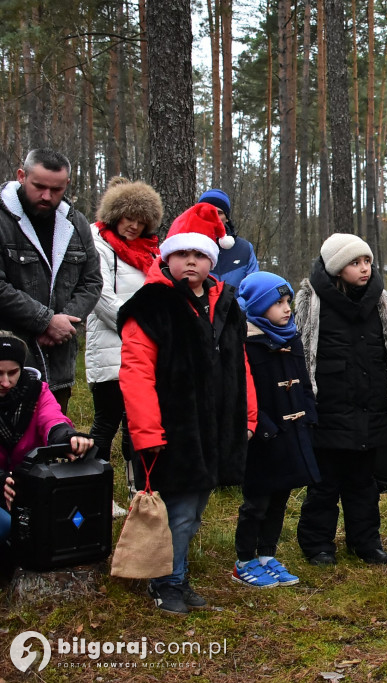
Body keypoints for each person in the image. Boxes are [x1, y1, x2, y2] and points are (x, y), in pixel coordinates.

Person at [118, 203, 258, 614]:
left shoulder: (226, 304)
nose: (191, 261)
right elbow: (136, 372)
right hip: (172, 429)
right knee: (178, 510)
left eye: (199, 254)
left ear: (212, 260)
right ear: (168, 257)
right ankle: (166, 582)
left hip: (215, 426)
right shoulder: (150, 305)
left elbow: (241, 364)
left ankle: (177, 575)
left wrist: (247, 416)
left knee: (195, 510)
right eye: (182, 254)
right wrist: (147, 432)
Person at [294, 234, 387, 567]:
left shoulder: (381, 302)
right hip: (327, 410)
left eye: (367, 261)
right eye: (355, 262)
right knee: (324, 483)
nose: (364, 268)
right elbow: (301, 353)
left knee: (363, 483)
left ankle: (365, 541)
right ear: (336, 267)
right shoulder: (312, 302)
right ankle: (318, 544)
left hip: (369, 408)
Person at [231, 272, 320, 588]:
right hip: (263, 438)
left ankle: (267, 555)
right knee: (257, 502)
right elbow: (243, 391)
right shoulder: (246, 343)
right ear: (258, 306)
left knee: (280, 498)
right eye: (278, 303)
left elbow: (304, 383)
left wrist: (308, 417)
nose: (286, 308)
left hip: (293, 433)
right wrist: (265, 428)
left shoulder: (291, 338)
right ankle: (244, 560)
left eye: (288, 301)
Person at [0, 148, 102, 413]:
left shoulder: (76, 223)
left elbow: (91, 282)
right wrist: (45, 321)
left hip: (58, 364)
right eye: (39, 186)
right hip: (6, 366)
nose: (47, 196)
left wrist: (62, 324)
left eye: (56, 189)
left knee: (54, 432)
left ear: (66, 184)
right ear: (21, 176)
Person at [85, 177, 163, 489]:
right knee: (106, 422)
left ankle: (138, 491)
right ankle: (96, 494)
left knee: (137, 424)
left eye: (141, 221)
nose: (134, 226)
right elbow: (99, 296)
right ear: (115, 214)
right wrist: (142, 324)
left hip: (143, 350)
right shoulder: (97, 243)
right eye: (129, 217)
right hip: (110, 349)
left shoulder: (151, 251)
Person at [1, 331, 95, 545]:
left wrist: (67, 438)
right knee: (5, 525)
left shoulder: (37, 392)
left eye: (12, 372)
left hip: (27, 487)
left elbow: (52, 419)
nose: (6, 382)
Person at [198, 189, 259, 289]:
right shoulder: (187, 247)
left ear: (226, 218)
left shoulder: (245, 249)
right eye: (209, 211)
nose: (214, 216)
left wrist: (234, 300)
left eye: (219, 212)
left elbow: (253, 288)